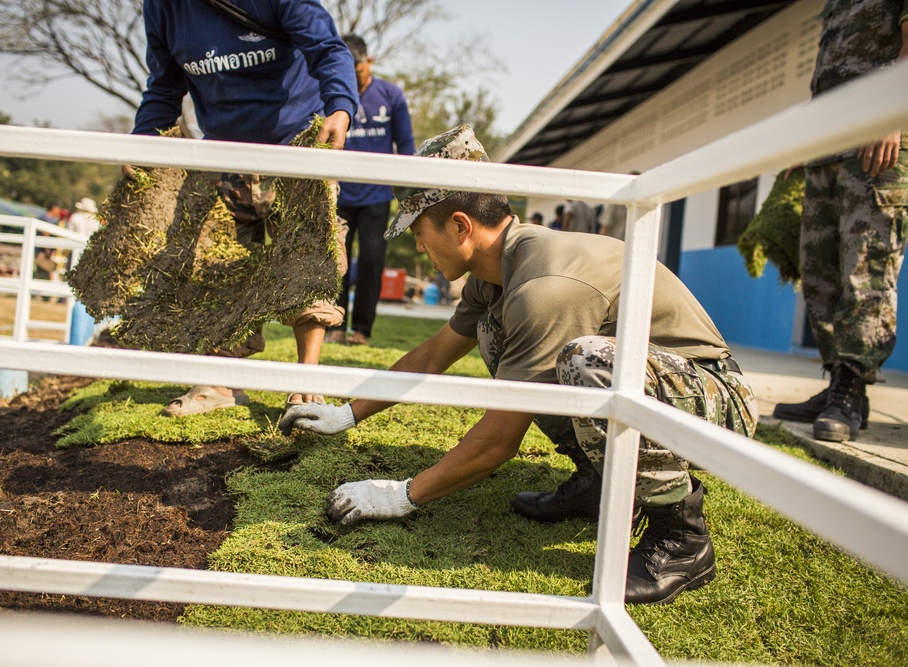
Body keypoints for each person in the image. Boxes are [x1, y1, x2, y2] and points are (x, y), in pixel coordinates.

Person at [281, 125, 759, 605]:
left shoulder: (542, 286)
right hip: (657, 387)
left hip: (715, 402)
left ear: (461, 226)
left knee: (585, 362)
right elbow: (434, 354)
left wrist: (402, 494)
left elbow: (497, 439)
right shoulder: (495, 273)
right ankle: (598, 482)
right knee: (500, 336)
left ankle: (682, 538)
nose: (419, 246)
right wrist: (348, 413)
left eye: (419, 231)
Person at [132, 0, 358, 414]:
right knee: (222, 264)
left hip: (297, 145)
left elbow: (328, 49)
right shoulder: (162, 6)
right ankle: (221, 383)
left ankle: (306, 384)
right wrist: (142, 137)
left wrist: (341, 108)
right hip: (225, 151)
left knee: (310, 263)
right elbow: (164, 86)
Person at [773, 0, 907, 443]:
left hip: (877, 145)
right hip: (828, 146)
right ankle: (837, 384)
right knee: (820, 272)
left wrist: (893, 111)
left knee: (865, 269)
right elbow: (829, 77)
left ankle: (851, 388)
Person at [325, 34, 414, 346]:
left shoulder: (391, 95)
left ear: (369, 62)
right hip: (341, 194)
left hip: (377, 196)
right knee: (336, 261)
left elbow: (405, 144)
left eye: (358, 70)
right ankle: (334, 325)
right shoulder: (335, 97)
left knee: (372, 262)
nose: (355, 77)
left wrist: (405, 189)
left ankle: (361, 329)